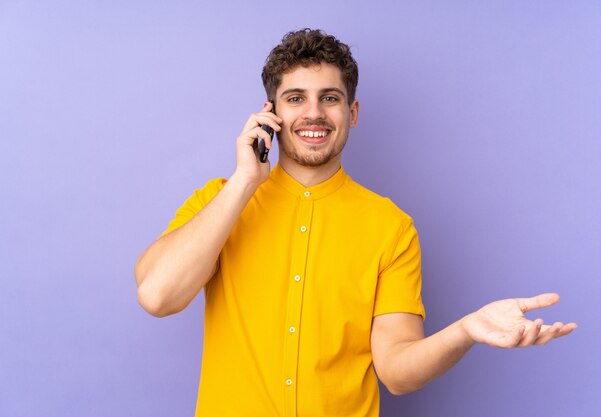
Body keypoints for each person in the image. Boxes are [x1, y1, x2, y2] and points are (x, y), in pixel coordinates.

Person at [134, 28, 576, 417]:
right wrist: (246, 181)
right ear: (271, 113)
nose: (313, 113)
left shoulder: (391, 227)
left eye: (330, 98)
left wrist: (465, 331)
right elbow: (157, 296)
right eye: (295, 99)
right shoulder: (219, 200)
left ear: (353, 113)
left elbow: (397, 372)